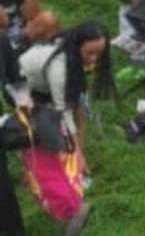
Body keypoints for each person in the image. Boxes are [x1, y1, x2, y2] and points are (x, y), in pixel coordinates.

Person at [18, 20, 115, 166]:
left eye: (99, 53)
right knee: (43, 128)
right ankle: (31, 162)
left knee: (80, 113)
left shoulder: (73, 54)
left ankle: (77, 159)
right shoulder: (60, 69)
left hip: (47, 83)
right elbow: (64, 112)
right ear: (78, 46)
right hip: (23, 86)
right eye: (90, 53)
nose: (94, 59)